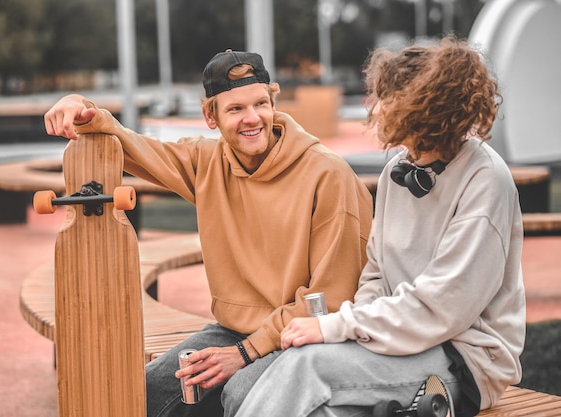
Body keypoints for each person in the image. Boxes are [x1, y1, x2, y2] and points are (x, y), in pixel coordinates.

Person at [44, 49, 374, 417]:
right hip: (234, 331)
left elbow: (331, 299)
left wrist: (246, 353)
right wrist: (81, 108)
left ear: (273, 102)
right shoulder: (207, 162)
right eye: (235, 109)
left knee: (243, 393)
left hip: (308, 337)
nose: (253, 119)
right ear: (210, 116)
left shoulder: (329, 175)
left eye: (261, 104)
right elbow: (130, 145)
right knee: (146, 391)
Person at [230, 36, 526, 417]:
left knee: (307, 367)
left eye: (392, 107)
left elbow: (442, 308)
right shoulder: (396, 173)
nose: (380, 113)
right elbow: (376, 273)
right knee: (315, 407)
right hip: (395, 340)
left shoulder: (484, 180)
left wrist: (338, 329)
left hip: (464, 357)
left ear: (432, 113)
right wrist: (354, 333)